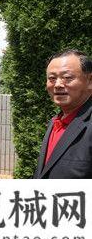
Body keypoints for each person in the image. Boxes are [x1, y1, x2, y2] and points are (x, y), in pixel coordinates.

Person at [34, 50, 92, 179]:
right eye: (52, 78)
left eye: (67, 77)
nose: (58, 85)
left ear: (90, 81)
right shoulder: (55, 123)